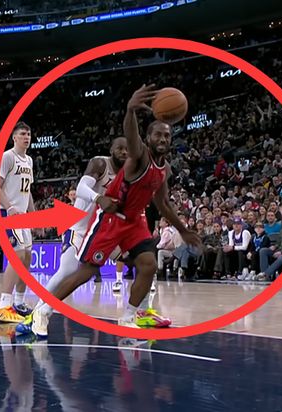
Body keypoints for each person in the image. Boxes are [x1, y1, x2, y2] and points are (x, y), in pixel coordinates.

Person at [29, 84, 201, 337]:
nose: (163, 139)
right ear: (148, 139)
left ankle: (130, 316)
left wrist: (183, 230)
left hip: (135, 222)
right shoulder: (139, 156)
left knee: (148, 264)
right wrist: (130, 110)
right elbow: (131, 136)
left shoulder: (164, 169)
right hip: (111, 219)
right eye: (158, 135)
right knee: (86, 271)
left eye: (167, 135)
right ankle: (44, 311)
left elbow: (163, 203)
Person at [16, 138, 130, 335]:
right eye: (120, 148)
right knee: (66, 270)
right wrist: (98, 198)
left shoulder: (128, 174)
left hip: (103, 232)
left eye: (127, 149)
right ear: (111, 149)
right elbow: (82, 189)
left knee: (142, 260)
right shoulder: (100, 164)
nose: (124, 152)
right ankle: (36, 314)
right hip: (79, 229)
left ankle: (141, 310)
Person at [0, 122, 40, 323]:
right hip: (7, 213)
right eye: (22, 134)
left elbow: (27, 191)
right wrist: (9, 207)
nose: (26, 137)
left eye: (28, 134)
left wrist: (34, 215)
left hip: (23, 216)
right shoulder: (7, 157)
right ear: (14, 137)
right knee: (17, 255)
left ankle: (19, 302)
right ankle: (3, 306)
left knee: (27, 257)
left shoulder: (29, 160)